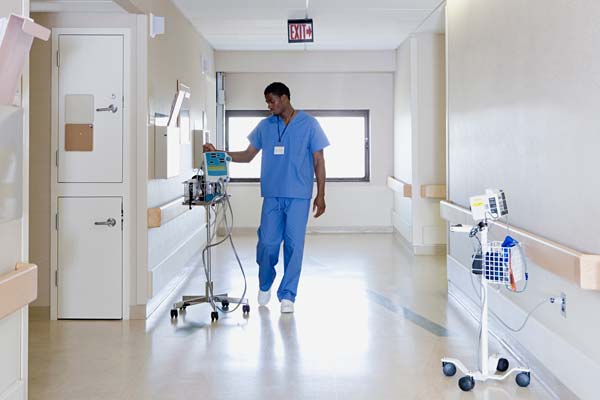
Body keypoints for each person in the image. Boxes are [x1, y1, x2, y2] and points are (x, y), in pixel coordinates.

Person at [203, 82, 329, 313]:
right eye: (267, 102)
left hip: (299, 196)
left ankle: (288, 295)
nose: (269, 106)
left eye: (272, 101)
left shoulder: (309, 124)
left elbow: (319, 161)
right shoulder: (265, 126)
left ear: (285, 98)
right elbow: (248, 155)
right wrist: (219, 154)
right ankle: (265, 282)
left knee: (294, 246)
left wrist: (321, 194)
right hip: (272, 195)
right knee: (268, 244)